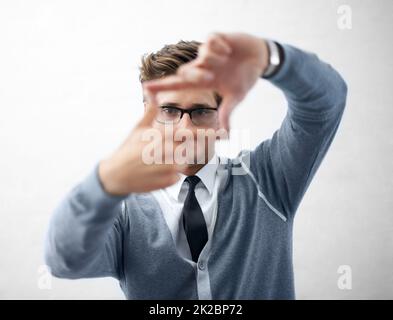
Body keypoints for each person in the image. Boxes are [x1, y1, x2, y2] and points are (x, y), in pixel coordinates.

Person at [44, 32, 347, 299]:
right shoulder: (123, 209)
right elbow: (64, 261)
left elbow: (325, 103)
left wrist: (270, 56)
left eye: (201, 111)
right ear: (147, 114)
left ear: (222, 114)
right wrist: (103, 184)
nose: (185, 130)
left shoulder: (267, 180)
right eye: (170, 111)